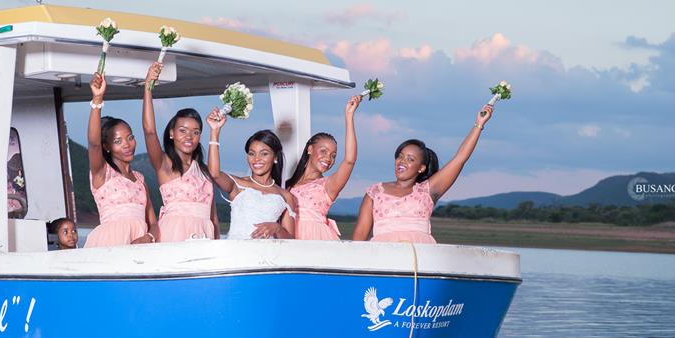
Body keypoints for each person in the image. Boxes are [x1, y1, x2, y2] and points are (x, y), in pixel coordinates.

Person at [352, 104, 495, 243]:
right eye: (400, 156)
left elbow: (460, 158)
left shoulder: (428, 190)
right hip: (383, 255)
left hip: (421, 255)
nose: (402, 161)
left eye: (410, 159)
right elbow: (359, 237)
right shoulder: (375, 192)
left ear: (421, 168)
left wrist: (479, 124)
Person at [141, 62, 219, 241]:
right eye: (182, 130)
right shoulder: (164, 164)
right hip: (174, 234)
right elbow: (149, 131)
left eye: (195, 132)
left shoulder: (205, 171)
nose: (189, 136)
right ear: (171, 133)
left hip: (204, 236)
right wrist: (148, 87)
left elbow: (214, 218)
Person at [85, 72, 160, 248]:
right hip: (110, 243)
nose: (127, 145)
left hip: (140, 246)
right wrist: (97, 99)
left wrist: (149, 237)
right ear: (106, 146)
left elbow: (154, 223)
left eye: (130, 137)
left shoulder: (140, 179)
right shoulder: (102, 173)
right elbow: (94, 143)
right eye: (118, 141)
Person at [206, 110, 296, 240]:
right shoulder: (238, 185)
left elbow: (290, 240)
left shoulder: (285, 196)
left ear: (275, 157)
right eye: (252, 153)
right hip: (237, 250)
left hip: (269, 252)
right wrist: (215, 131)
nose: (256, 159)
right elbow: (214, 174)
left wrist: (277, 228)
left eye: (264, 154)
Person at [285, 95, 362, 240]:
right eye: (324, 151)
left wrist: (349, 115)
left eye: (333, 155)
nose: (328, 158)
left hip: (316, 238)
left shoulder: (328, 185)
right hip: (289, 237)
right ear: (310, 149)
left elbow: (350, 160)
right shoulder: (288, 183)